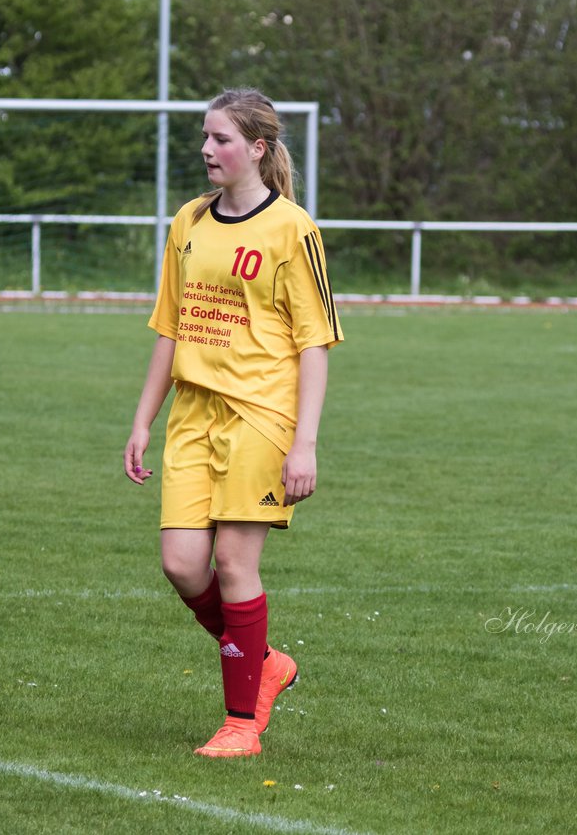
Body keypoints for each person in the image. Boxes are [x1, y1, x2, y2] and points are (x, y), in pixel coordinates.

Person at [124, 89, 343, 758]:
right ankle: (266, 662)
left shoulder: (293, 229)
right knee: (182, 565)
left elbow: (314, 343)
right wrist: (141, 422)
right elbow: (170, 328)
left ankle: (242, 723)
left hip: (261, 414)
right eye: (204, 137)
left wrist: (303, 443)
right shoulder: (188, 221)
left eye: (219, 139)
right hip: (192, 414)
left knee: (233, 561)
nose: (206, 150)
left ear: (257, 149)